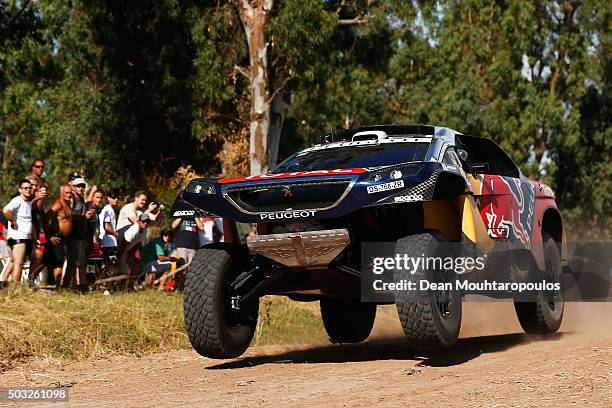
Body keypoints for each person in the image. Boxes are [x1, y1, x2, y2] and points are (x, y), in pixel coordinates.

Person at [37, 184, 73, 286]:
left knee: (57, 262)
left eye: (70, 193)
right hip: (56, 236)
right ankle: (31, 280)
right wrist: (49, 236)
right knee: (51, 262)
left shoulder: (68, 203)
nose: (69, 195)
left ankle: (57, 287)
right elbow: (45, 218)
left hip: (63, 238)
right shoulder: (59, 203)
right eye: (66, 192)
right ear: (61, 193)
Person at [1, 179, 34, 283]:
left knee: (14, 261)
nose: (28, 190)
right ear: (20, 190)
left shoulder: (27, 202)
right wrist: (13, 222)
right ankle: (16, 288)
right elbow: (5, 210)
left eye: (30, 188)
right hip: (17, 237)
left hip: (25, 237)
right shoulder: (17, 200)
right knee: (18, 263)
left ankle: (3, 281)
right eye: (25, 188)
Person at [65, 176, 94, 289]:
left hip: (81, 235)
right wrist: (83, 216)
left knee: (79, 262)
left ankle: (75, 286)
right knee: (72, 263)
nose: (81, 188)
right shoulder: (72, 199)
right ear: (73, 187)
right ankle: (66, 286)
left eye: (83, 186)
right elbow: (68, 215)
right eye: (78, 186)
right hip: (73, 235)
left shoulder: (81, 199)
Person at [117, 212, 150, 289]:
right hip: (120, 245)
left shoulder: (144, 231)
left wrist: (130, 256)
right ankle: (115, 287)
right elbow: (124, 242)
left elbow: (138, 245)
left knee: (133, 265)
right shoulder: (134, 229)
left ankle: (127, 287)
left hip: (127, 248)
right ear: (138, 221)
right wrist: (120, 256)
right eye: (143, 221)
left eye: (147, 222)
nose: (145, 223)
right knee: (123, 269)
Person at [99, 188, 120, 263]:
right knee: (110, 264)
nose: (116, 199)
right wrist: (116, 234)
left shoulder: (110, 209)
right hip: (108, 242)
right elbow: (106, 226)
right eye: (114, 198)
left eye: (117, 197)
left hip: (110, 242)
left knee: (108, 264)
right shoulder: (108, 210)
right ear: (108, 198)